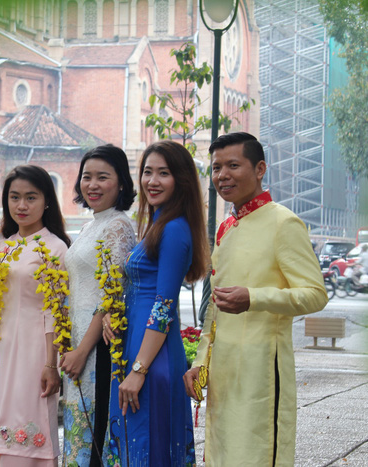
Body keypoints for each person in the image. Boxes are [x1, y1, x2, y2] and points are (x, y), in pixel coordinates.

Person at [183, 132, 328, 466]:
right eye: (217, 167)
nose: (222, 175)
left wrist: (255, 298)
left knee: (255, 454)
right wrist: (200, 363)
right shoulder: (227, 227)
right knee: (221, 455)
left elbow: (315, 294)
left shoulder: (283, 222)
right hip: (223, 373)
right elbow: (214, 311)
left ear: (260, 168)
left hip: (261, 372)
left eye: (233, 165)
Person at [102, 140, 209, 466]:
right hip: (137, 346)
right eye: (148, 172)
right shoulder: (158, 224)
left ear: (181, 180)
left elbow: (163, 305)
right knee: (136, 446)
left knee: (148, 446)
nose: (153, 180)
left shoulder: (175, 229)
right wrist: (110, 310)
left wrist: (138, 370)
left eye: (163, 173)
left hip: (152, 355)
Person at [0, 165, 71, 467]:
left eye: (31, 197)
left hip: (36, 354)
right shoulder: (1, 248)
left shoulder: (55, 249)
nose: (21, 206)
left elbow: (55, 311)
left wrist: (50, 363)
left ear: (47, 201)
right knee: (2, 429)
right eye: (14, 197)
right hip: (3, 353)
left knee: (32, 428)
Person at [60, 144, 136, 466]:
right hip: (77, 341)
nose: (92, 185)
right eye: (86, 177)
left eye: (102, 177)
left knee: (94, 433)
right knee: (78, 430)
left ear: (120, 183)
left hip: (97, 348)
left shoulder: (118, 226)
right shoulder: (91, 226)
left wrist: (82, 350)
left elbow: (112, 296)